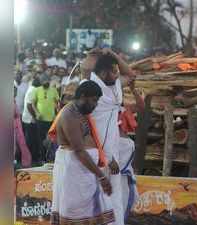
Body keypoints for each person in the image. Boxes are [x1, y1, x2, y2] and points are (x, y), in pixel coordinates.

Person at [80, 48, 138, 225]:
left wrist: (113, 54)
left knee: (114, 198)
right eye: (113, 72)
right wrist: (106, 157)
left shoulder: (116, 86)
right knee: (94, 198)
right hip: (96, 154)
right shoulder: (89, 89)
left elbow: (131, 75)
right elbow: (87, 128)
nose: (117, 74)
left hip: (112, 152)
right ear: (103, 73)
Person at [50, 81, 115, 224]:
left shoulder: (81, 111)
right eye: (94, 100)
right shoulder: (69, 115)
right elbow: (79, 151)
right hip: (74, 174)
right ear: (83, 96)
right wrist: (102, 177)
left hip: (86, 173)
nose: (95, 105)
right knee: (76, 216)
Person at [32, 74, 60, 163]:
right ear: (41, 82)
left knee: (51, 140)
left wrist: (57, 113)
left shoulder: (53, 90)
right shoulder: (37, 90)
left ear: (49, 81)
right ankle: (42, 158)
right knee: (40, 140)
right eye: (43, 81)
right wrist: (36, 112)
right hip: (40, 120)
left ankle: (50, 158)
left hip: (51, 120)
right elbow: (33, 103)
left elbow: (57, 103)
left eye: (47, 81)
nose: (45, 83)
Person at [22, 77, 41, 165]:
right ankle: (30, 159)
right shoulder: (34, 90)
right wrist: (35, 116)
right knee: (31, 140)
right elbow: (29, 106)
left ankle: (30, 159)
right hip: (30, 120)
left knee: (31, 140)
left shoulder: (31, 88)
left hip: (27, 118)